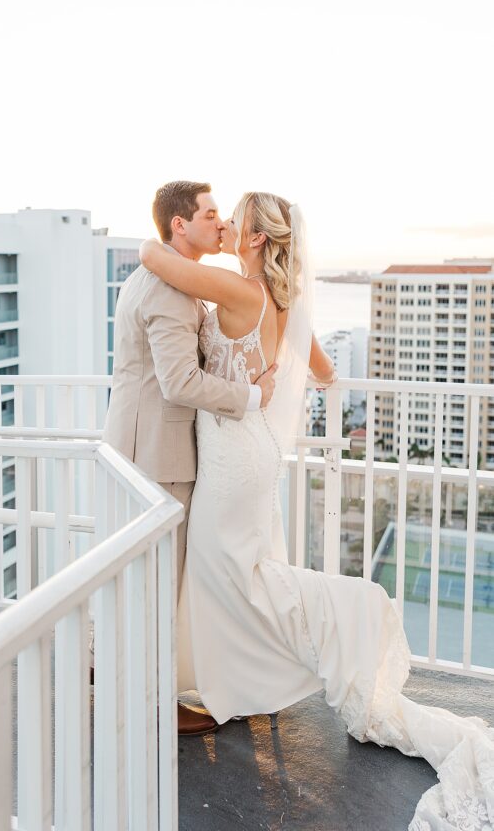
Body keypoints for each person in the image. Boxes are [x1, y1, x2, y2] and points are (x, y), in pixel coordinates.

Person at [139, 191, 493, 831]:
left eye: (233, 221)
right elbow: (325, 373)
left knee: (237, 577)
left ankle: (347, 614)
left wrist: (148, 242)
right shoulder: (284, 301)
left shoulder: (237, 291)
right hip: (253, 453)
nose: (223, 227)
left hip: (229, 456)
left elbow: (165, 265)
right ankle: (240, 688)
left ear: (252, 239)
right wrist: (273, 373)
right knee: (232, 575)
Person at [103, 180, 278, 736]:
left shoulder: (164, 278)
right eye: (208, 214)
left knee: (147, 582)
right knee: (157, 586)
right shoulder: (169, 291)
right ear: (180, 224)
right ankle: (154, 706)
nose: (219, 223)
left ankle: (125, 675)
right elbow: (178, 382)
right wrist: (250, 397)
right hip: (158, 454)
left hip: (146, 445)